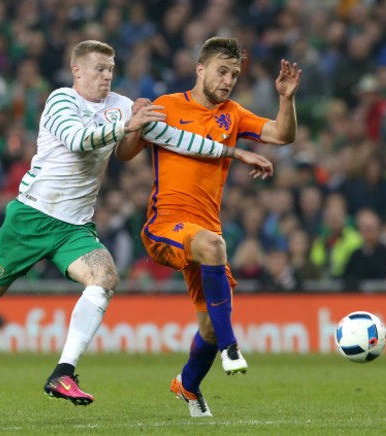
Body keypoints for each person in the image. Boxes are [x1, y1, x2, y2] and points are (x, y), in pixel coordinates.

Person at [0, 40, 238, 405]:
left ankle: (63, 373)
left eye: (111, 69)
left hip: (74, 229)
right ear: (77, 71)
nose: (107, 76)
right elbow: (77, 141)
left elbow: (173, 137)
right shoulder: (61, 101)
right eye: (99, 68)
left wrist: (234, 151)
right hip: (31, 218)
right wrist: (124, 128)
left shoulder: (120, 106)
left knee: (104, 278)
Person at [116, 37, 300, 417]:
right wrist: (135, 123)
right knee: (216, 250)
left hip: (204, 232)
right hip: (164, 226)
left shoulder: (232, 114)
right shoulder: (167, 106)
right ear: (200, 69)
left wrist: (286, 98)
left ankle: (187, 384)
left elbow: (282, 136)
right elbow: (125, 153)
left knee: (210, 327)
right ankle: (233, 347)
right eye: (222, 71)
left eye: (234, 74)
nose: (228, 80)